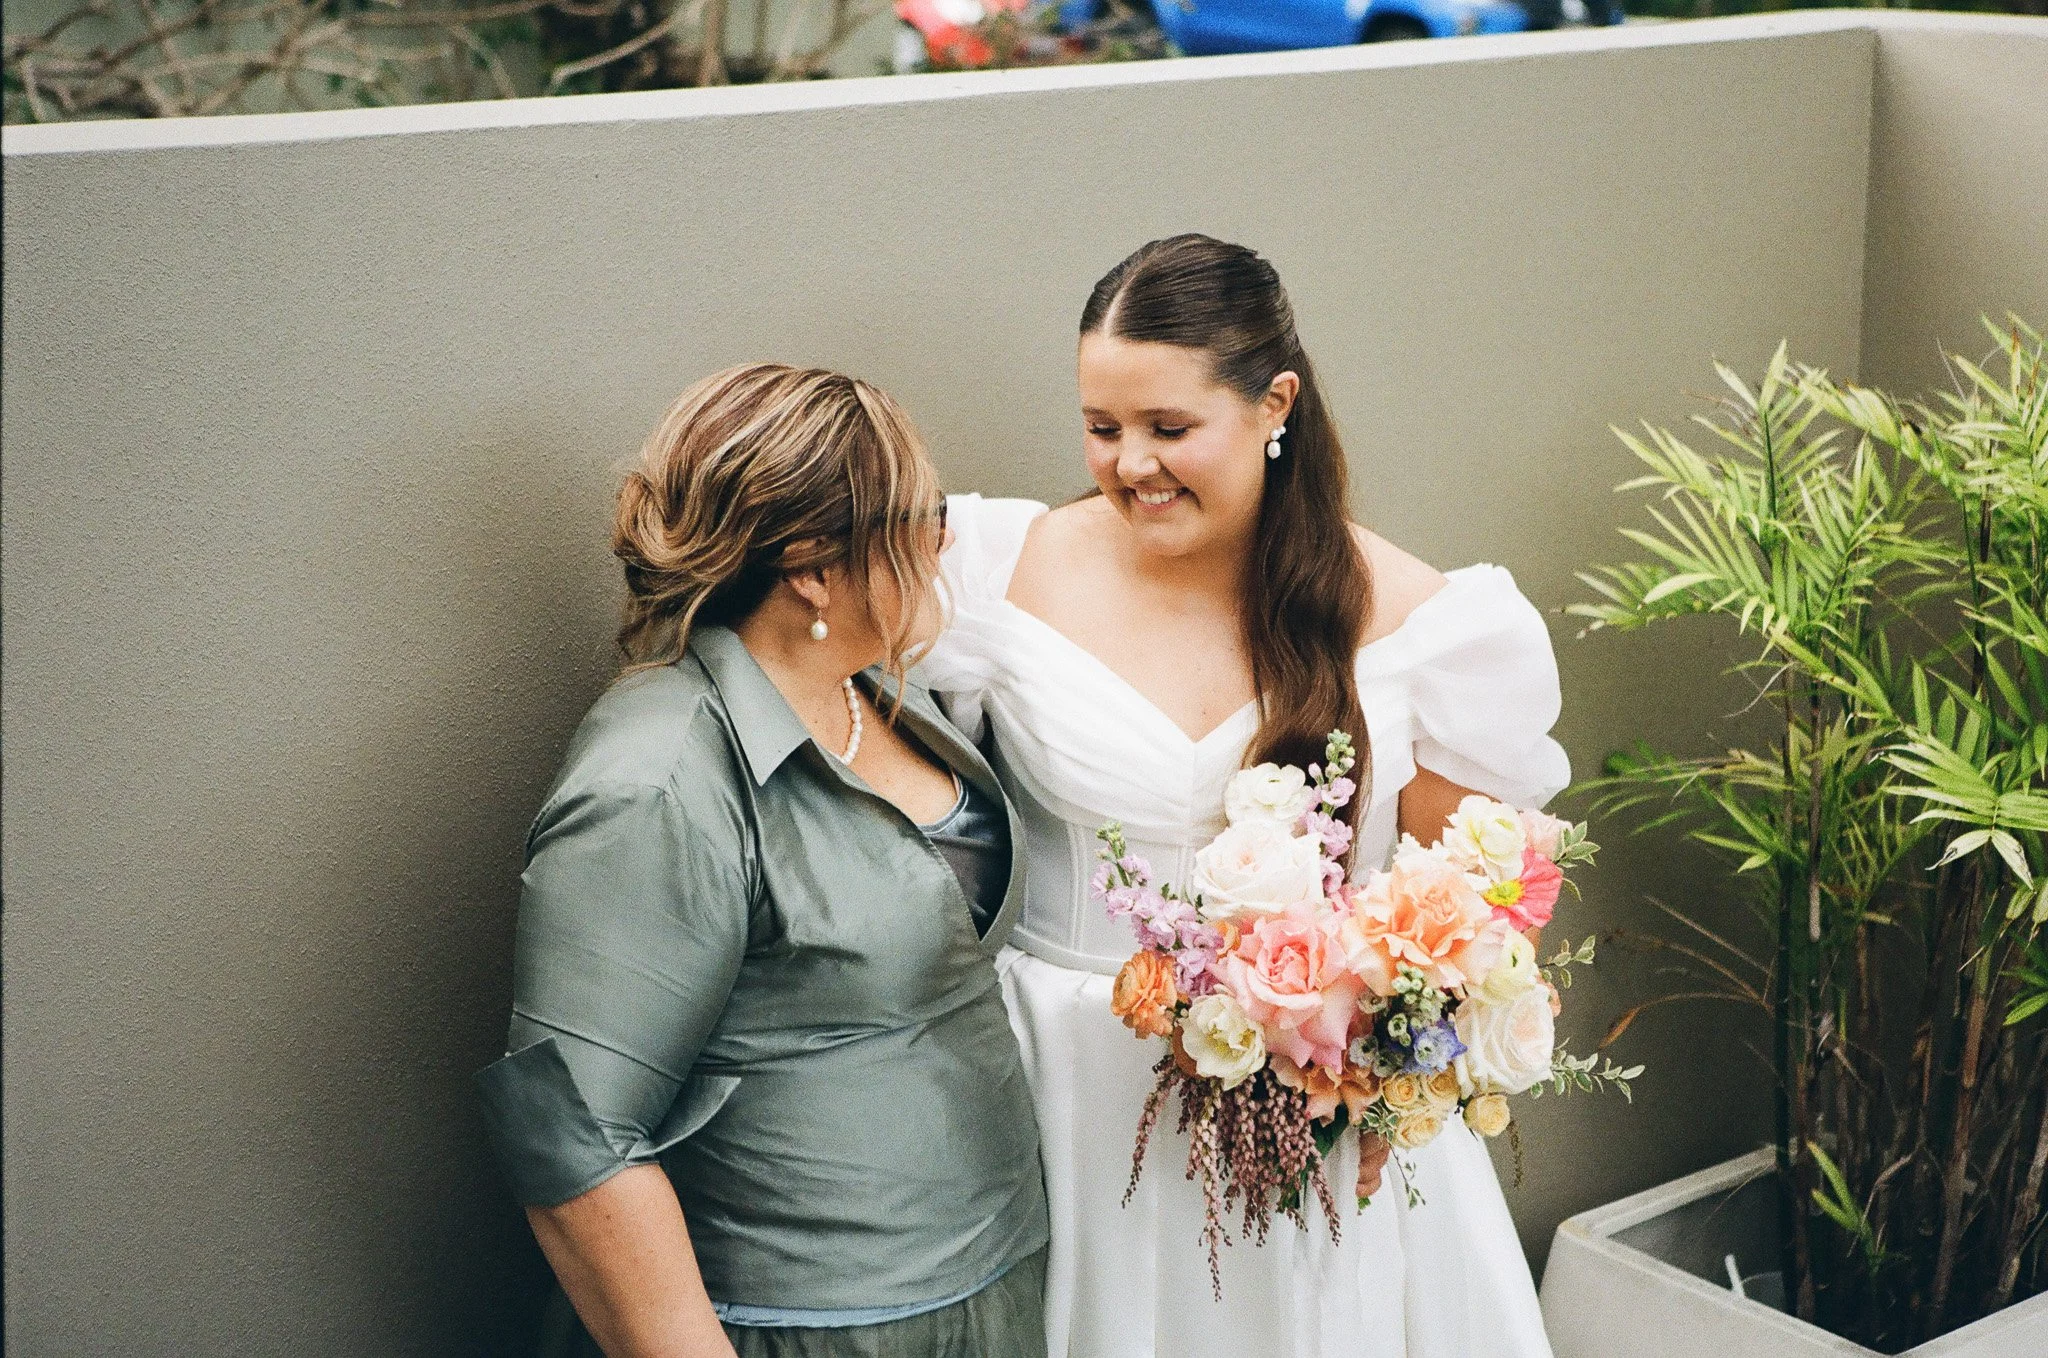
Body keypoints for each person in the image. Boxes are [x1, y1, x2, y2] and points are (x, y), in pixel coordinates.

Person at [916, 235, 1570, 1357]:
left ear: (1274, 405)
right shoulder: (997, 569)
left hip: (1306, 1119)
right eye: (1101, 426)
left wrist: (1397, 1063)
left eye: (1169, 429)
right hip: (1062, 1097)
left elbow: (1494, 889)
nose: (1130, 464)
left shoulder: (1416, 619)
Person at [477, 363, 1050, 1358]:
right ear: (814, 568)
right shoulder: (656, 780)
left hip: (987, 1284)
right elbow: (571, 1137)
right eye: (920, 518)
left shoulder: (872, 687)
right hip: (812, 1327)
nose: (944, 541)